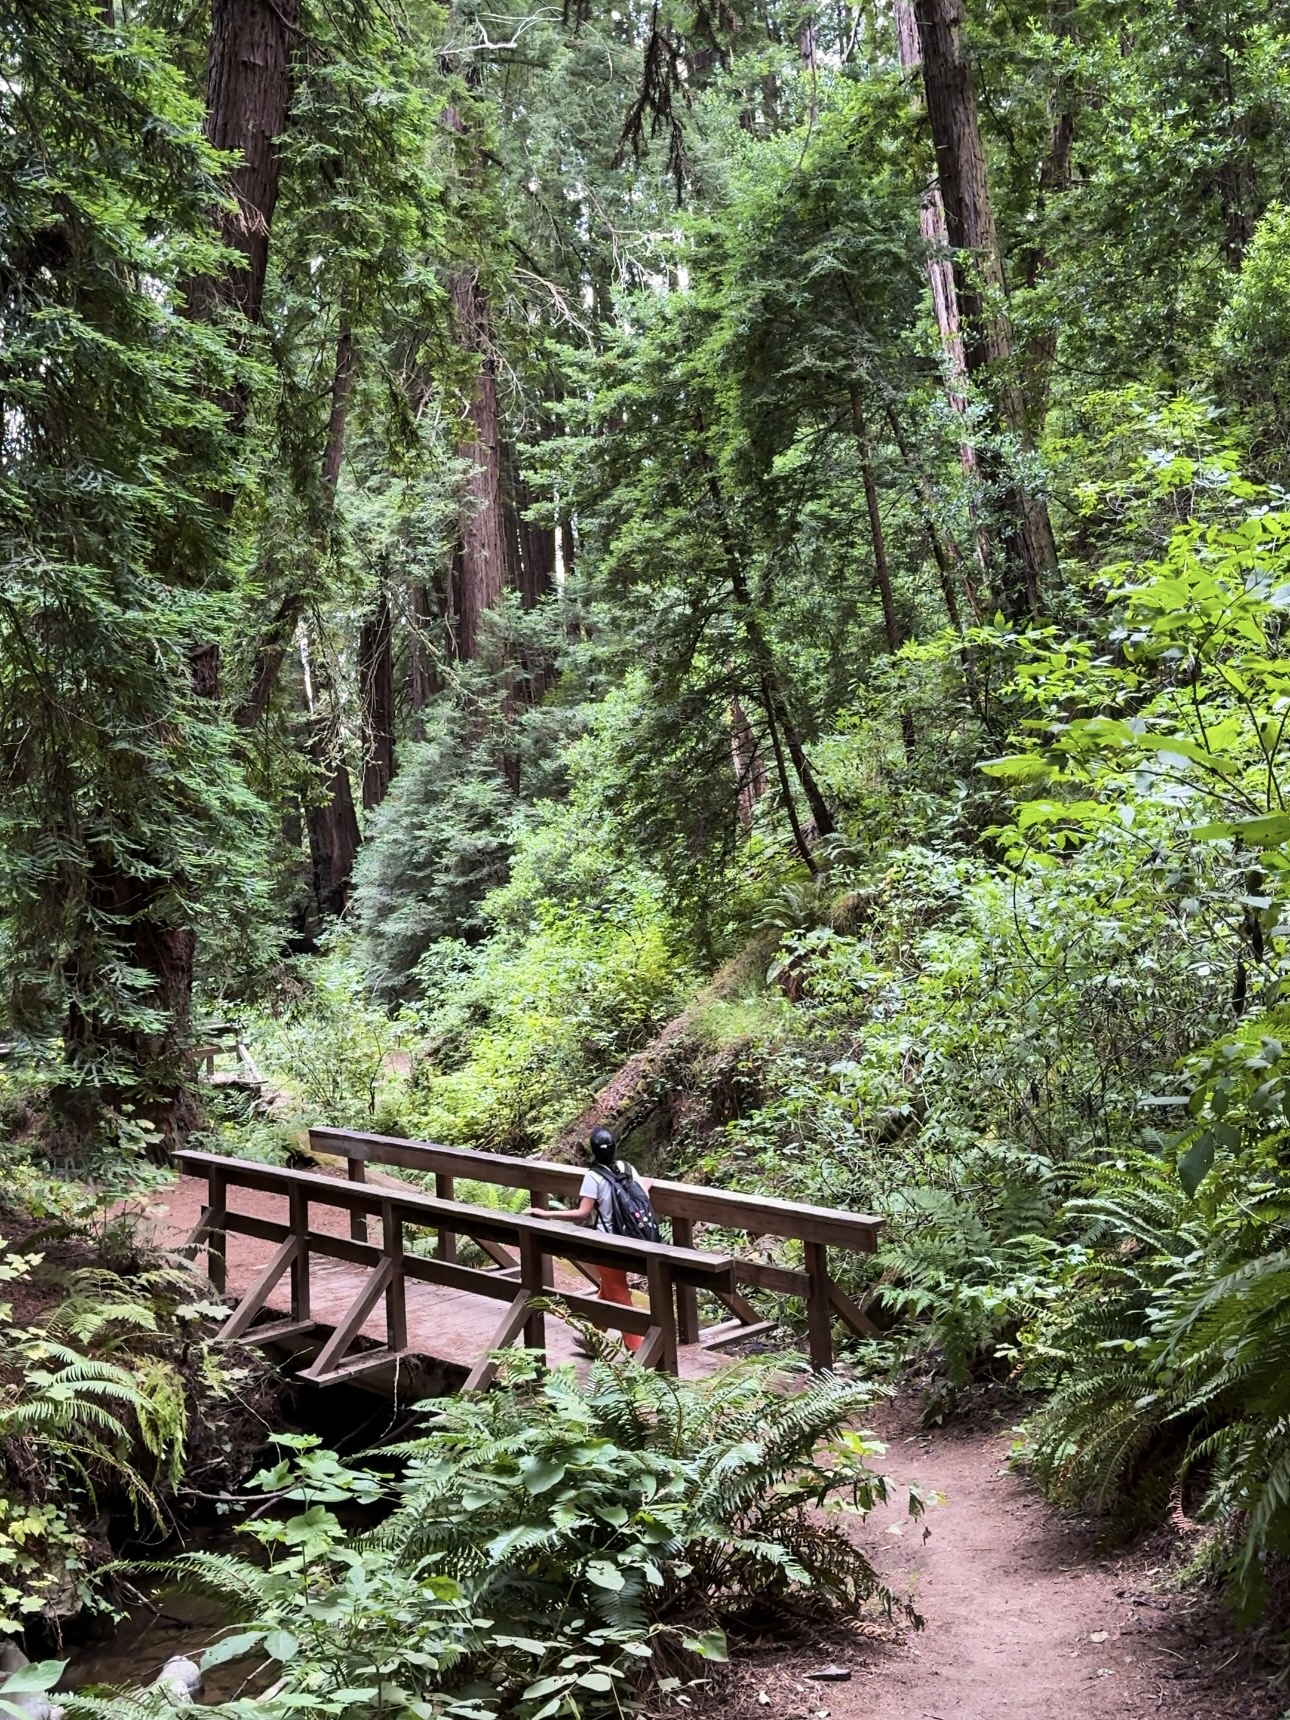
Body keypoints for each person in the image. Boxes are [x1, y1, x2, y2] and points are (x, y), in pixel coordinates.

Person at [527, 1127, 649, 1352]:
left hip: (606, 1244)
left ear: (593, 1151)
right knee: (609, 1289)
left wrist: (547, 1214)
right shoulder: (627, 1168)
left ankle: (638, 1350)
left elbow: (582, 1213)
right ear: (614, 1147)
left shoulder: (593, 1176)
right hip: (631, 1240)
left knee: (619, 1294)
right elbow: (643, 1197)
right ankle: (592, 1340)